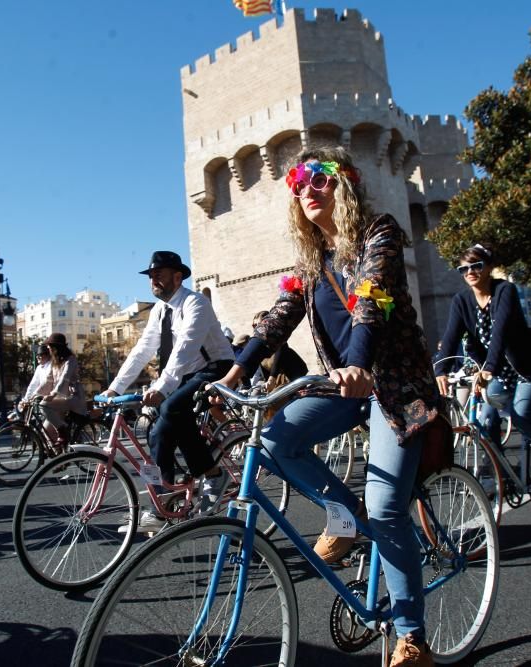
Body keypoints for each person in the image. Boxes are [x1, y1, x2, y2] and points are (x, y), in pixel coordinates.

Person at [216, 147, 438, 666]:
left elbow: (372, 296)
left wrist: (358, 363)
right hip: (343, 387)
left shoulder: (379, 233)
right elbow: (277, 318)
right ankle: (346, 514)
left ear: (346, 184)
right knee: (274, 441)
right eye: (297, 181)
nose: (306, 189)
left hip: (395, 388)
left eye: (319, 178)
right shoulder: (311, 262)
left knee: (389, 509)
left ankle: (412, 638)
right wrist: (233, 371)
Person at [101, 250, 235, 530]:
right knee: (157, 431)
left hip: (216, 367)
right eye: (151, 277)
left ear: (177, 276)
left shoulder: (195, 303)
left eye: (159, 275)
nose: (154, 281)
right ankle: (164, 501)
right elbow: (142, 351)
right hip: (185, 374)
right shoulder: (159, 311)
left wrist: (162, 387)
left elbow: (185, 347)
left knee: (171, 407)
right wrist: (114, 389)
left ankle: (213, 474)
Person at [435, 244, 531, 489]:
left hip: (527, 367)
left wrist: (488, 369)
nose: (470, 272)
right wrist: (440, 370)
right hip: (495, 370)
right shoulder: (461, 300)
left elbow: (501, 333)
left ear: (489, 267)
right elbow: (451, 336)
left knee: (520, 415)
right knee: (486, 420)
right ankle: (499, 472)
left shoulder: (505, 290)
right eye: (464, 269)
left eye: (476, 266)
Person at [37, 333, 86, 447]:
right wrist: (33, 396)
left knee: (44, 405)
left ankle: (62, 429)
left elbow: (65, 378)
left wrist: (53, 394)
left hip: (73, 398)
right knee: (46, 430)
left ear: (55, 347)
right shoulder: (54, 362)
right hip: (60, 399)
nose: (47, 348)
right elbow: (48, 381)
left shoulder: (71, 359)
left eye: (49, 346)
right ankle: (59, 459)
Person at [19, 346, 53, 411]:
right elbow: (33, 384)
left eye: (40, 355)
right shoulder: (39, 368)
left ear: (47, 356)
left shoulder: (51, 365)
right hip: (41, 398)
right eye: (37, 355)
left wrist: (33, 396)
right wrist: (26, 399)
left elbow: (46, 383)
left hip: (51, 399)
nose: (37, 357)